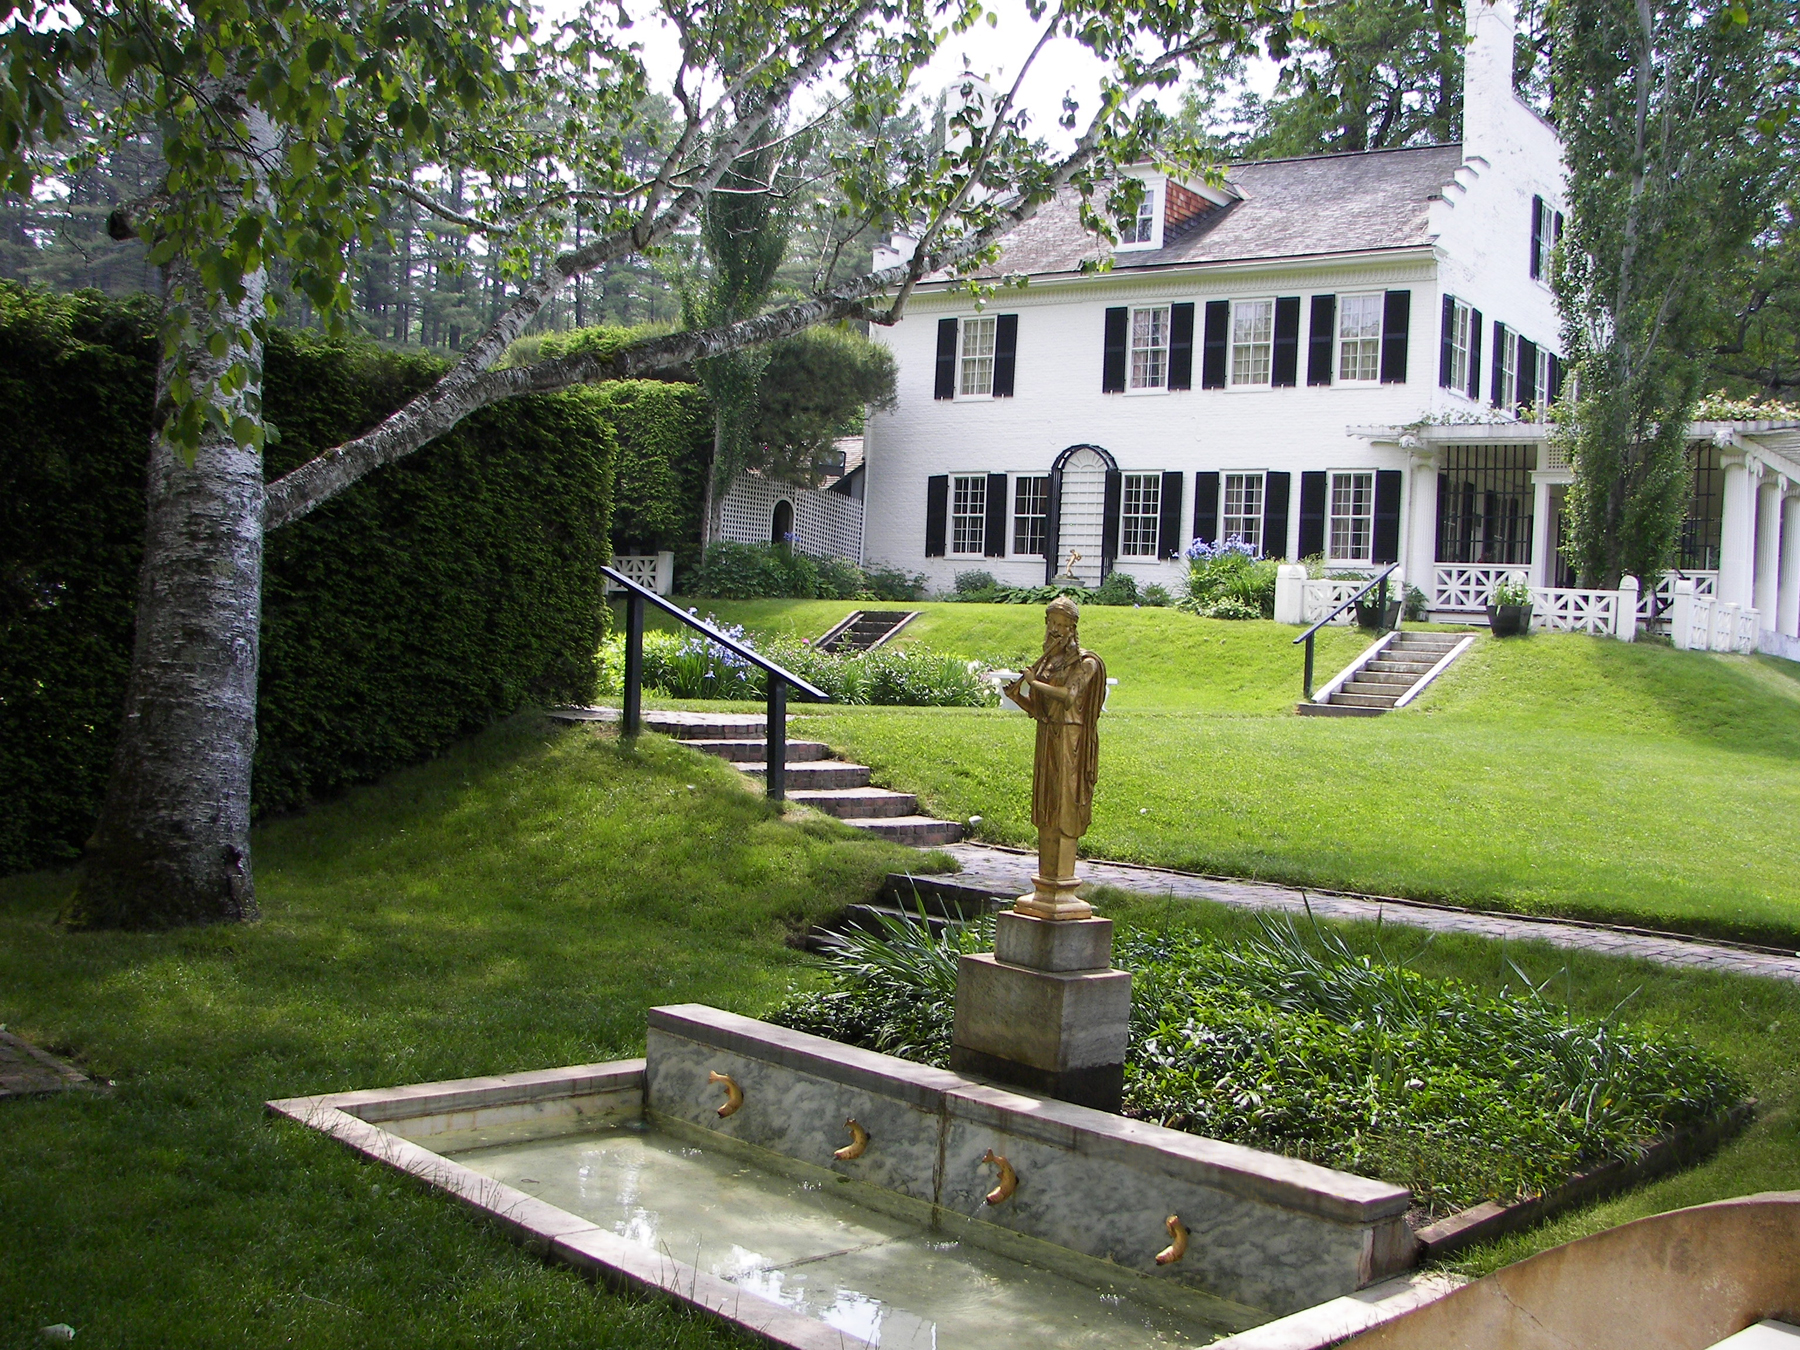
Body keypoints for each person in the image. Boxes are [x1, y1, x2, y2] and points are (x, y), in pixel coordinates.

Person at [1003, 596, 1106, 919]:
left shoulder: (1085, 663)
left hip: (1071, 740)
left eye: (1063, 625)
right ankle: (1045, 885)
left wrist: (1035, 682)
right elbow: (1040, 710)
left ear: (1073, 628)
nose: (1057, 630)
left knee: (1064, 804)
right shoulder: (1048, 662)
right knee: (1045, 805)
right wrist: (1018, 696)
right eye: (1053, 623)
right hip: (1047, 735)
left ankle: (1061, 885)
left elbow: (1069, 696)